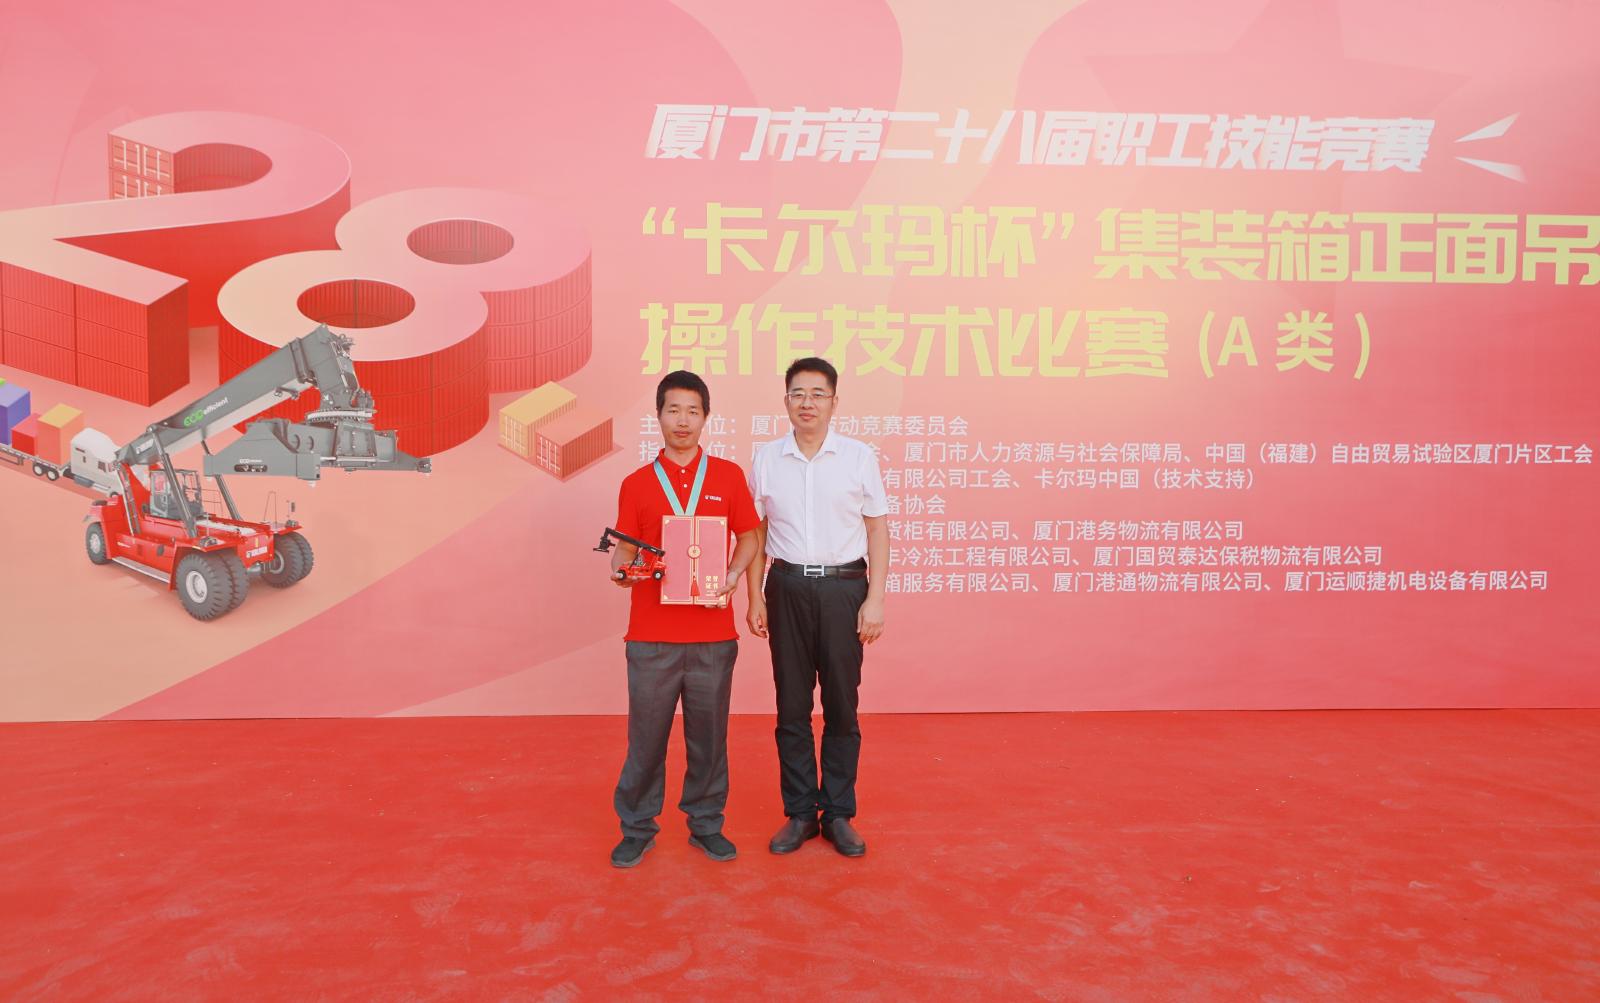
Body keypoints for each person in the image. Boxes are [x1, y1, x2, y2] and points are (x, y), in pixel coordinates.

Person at [608, 370, 761, 868]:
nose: (683, 420)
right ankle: (636, 827)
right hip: (650, 636)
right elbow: (624, 547)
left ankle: (707, 824)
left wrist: (734, 575)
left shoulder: (728, 476)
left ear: (706, 417)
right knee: (646, 739)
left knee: (709, 739)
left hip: (713, 634)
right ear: (658, 415)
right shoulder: (636, 483)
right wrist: (623, 571)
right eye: (673, 409)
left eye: (693, 411)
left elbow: (750, 537)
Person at [746, 357, 889, 858]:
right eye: (798, 393)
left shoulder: (857, 457)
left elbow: (877, 527)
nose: (807, 403)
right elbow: (756, 531)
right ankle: (801, 813)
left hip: (843, 588)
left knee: (842, 705)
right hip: (785, 586)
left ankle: (839, 812)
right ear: (785, 400)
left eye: (817, 394)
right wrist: (755, 595)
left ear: (834, 401)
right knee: (791, 706)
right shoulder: (767, 458)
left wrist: (875, 598)